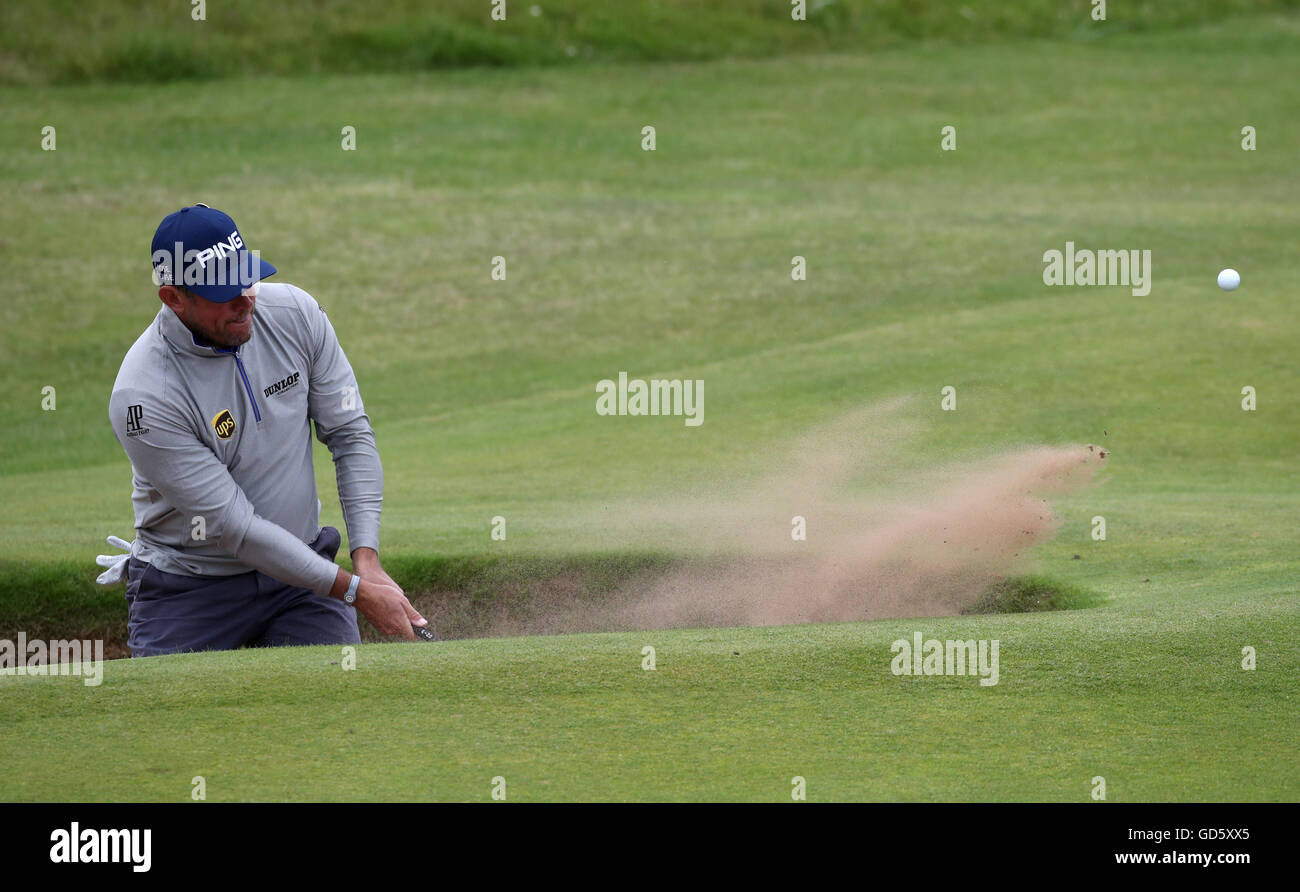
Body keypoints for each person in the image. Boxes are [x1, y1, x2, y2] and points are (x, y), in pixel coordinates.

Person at [96, 203, 433, 656]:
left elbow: (350, 435)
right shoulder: (144, 395)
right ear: (174, 298)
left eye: (247, 280)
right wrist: (354, 591)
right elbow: (235, 527)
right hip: (189, 589)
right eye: (223, 293)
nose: (245, 300)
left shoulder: (296, 313)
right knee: (175, 704)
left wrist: (366, 562)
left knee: (340, 695)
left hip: (302, 580)